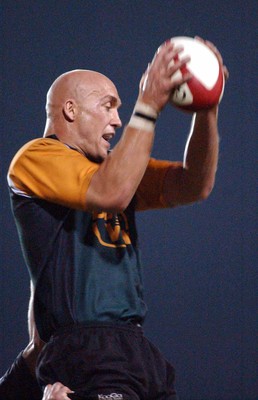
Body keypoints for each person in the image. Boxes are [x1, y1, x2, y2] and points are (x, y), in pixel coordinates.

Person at [1, 37, 228, 400]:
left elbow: (193, 184)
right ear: (71, 110)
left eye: (120, 109)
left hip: (135, 349)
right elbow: (111, 193)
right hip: (90, 348)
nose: (118, 120)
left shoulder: (113, 169)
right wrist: (148, 105)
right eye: (108, 106)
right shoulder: (37, 156)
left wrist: (207, 110)